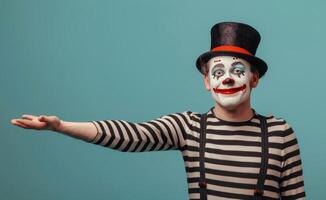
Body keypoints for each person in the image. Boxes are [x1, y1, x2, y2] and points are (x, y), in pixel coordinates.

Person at [11, 22, 306, 199]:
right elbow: (133, 135)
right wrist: (61, 126)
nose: (226, 77)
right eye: (217, 72)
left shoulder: (280, 133)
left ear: (254, 78)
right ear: (206, 82)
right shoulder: (189, 127)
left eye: (238, 70)